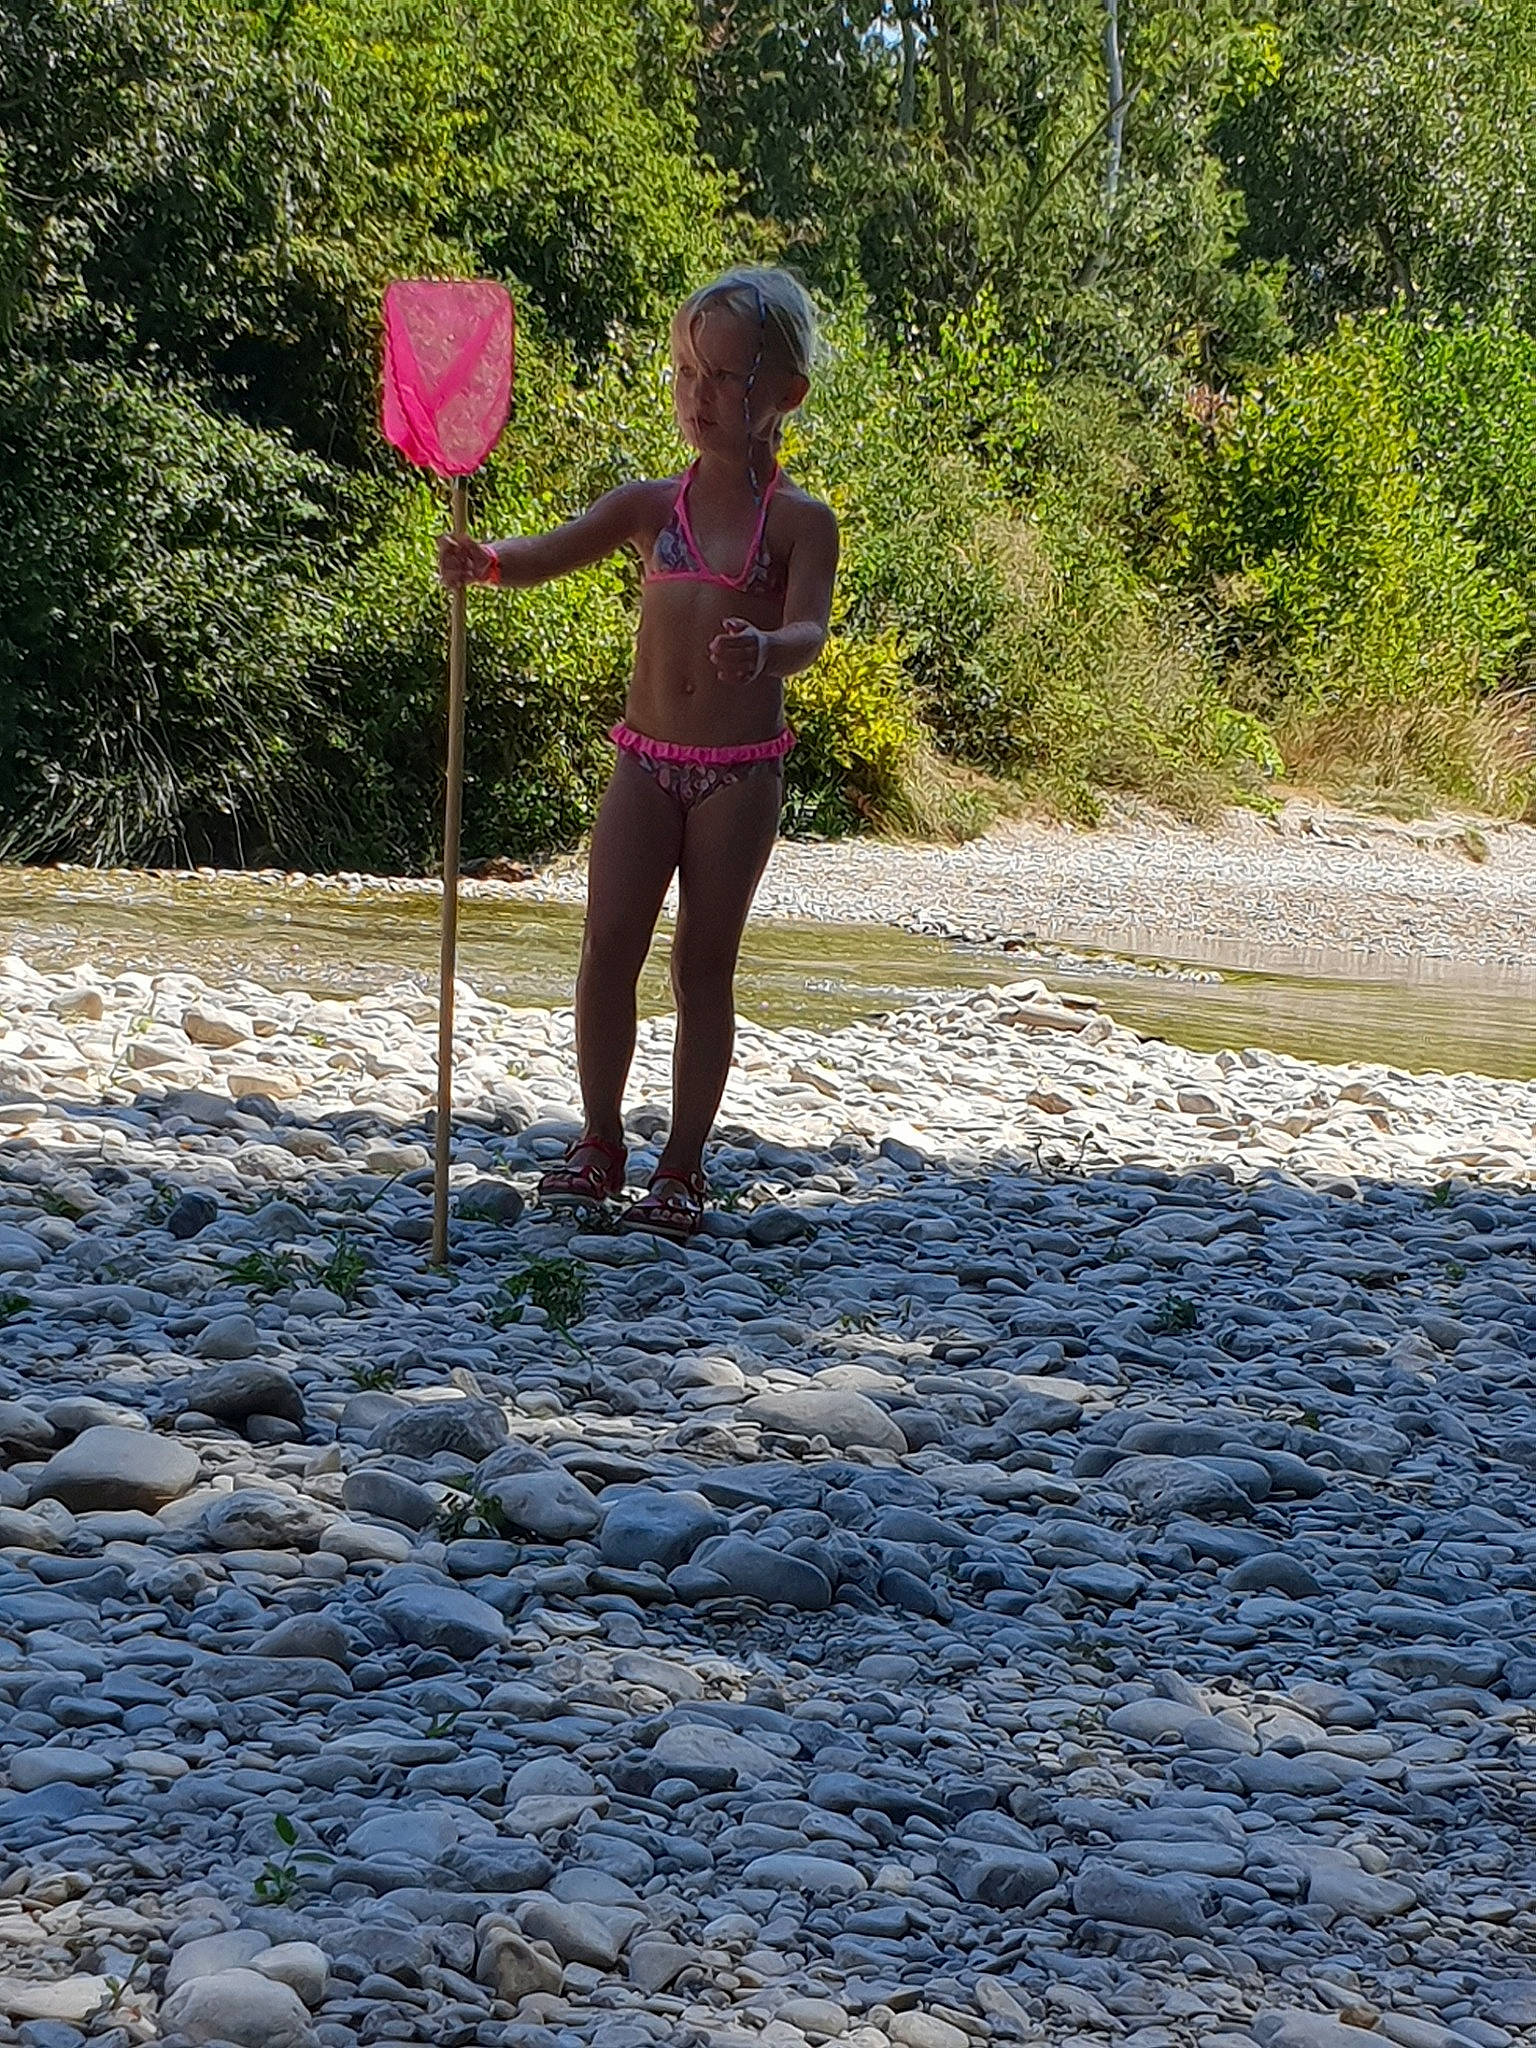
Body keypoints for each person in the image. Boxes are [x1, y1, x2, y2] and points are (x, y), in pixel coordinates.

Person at [438, 266, 839, 1242]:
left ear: (783, 394)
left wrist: (766, 650)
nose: (699, 398)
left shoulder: (800, 522)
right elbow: (550, 548)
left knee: (703, 965)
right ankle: (600, 1138)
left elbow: (812, 632)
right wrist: (487, 562)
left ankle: (682, 1164)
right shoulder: (649, 507)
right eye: (685, 374)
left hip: (738, 773)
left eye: (727, 378)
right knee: (607, 942)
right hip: (644, 760)